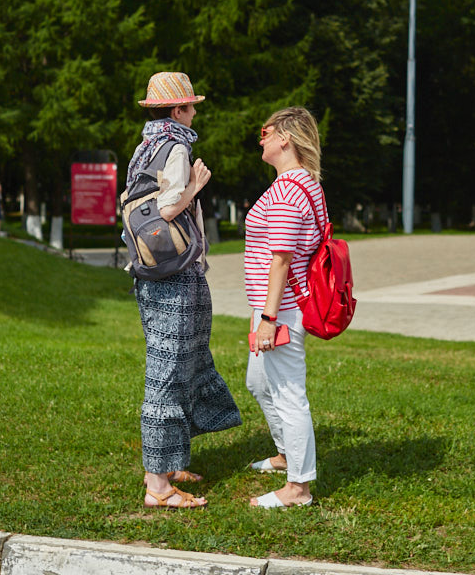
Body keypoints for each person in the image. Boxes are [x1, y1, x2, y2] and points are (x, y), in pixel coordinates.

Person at [128, 71, 241, 510]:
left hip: (151, 273)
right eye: (191, 107)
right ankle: (158, 486)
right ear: (178, 111)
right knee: (168, 373)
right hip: (175, 276)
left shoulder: (146, 146)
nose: (194, 114)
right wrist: (196, 186)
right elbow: (168, 207)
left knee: (178, 365)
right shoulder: (175, 147)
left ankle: (170, 465)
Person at [244, 106, 327, 509]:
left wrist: (267, 318)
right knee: (259, 383)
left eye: (266, 132)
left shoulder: (288, 191)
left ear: (285, 138)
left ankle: (298, 488)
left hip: (281, 311)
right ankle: (285, 455)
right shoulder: (305, 184)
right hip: (276, 307)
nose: (260, 139)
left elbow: (281, 258)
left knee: (289, 394)